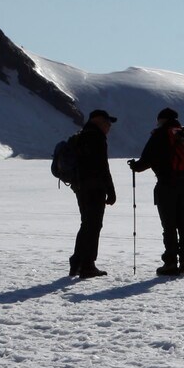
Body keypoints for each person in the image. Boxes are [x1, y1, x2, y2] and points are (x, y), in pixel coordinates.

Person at [128, 106, 184, 276]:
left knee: (169, 225)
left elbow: (145, 160)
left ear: (162, 120)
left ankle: (170, 263)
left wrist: (134, 166)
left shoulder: (160, 135)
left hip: (167, 185)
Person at [58, 108, 118, 278]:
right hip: (94, 188)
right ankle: (87, 265)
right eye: (107, 122)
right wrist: (111, 190)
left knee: (87, 224)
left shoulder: (80, 136)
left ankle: (77, 263)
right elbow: (102, 166)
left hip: (80, 187)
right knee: (93, 225)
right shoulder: (96, 137)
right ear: (97, 120)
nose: (109, 126)